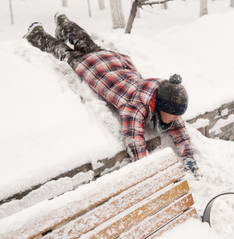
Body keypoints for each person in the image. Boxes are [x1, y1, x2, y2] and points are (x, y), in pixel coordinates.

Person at [23, 13, 198, 175]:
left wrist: (189, 156)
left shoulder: (161, 92)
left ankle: (65, 24)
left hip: (114, 62)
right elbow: (134, 141)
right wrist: (149, 173)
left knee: (87, 43)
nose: (177, 119)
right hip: (96, 69)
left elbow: (179, 130)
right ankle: (36, 35)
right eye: (175, 115)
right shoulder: (134, 107)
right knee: (65, 52)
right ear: (162, 106)